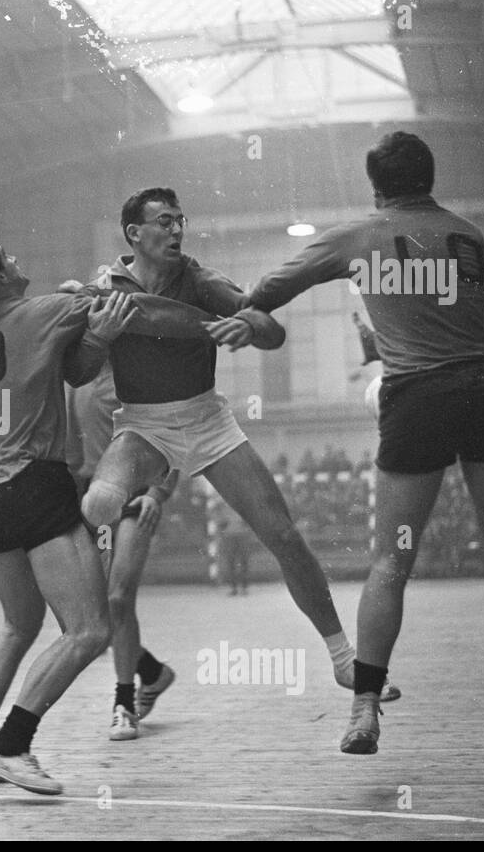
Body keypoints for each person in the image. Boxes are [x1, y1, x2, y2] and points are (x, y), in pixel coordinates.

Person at [246, 131, 484, 765]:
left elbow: (267, 292)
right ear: (430, 175)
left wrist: (236, 313)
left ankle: (365, 707)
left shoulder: (357, 237)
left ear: (376, 185)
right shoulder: (468, 233)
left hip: (418, 396)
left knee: (389, 563)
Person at [79, 187, 382, 705]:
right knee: (99, 504)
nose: (177, 231)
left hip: (207, 421)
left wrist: (248, 324)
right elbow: (79, 371)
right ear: (134, 234)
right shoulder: (103, 289)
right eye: (165, 222)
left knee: (283, 536)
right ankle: (115, 655)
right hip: (143, 427)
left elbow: (272, 330)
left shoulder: (197, 279)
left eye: (181, 221)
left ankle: (342, 658)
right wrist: (96, 336)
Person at [0, 228, 208, 794]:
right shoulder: (44, 312)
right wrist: (217, 319)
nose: (16, 257)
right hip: (37, 486)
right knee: (89, 629)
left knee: (18, 626)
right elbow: (126, 304)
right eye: (6, 255)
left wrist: (94, 340)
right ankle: (12, 745)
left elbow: (73, 370)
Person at [65, 359, 177, 741]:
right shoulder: (74, 379)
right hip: (90, 499)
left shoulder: (135, 374)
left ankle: (123, 704)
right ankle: (151, 671)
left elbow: (173, 434)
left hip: (135, 495)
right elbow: (71, 455)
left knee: (118, 598)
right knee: (85, 619)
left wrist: (157, 493)